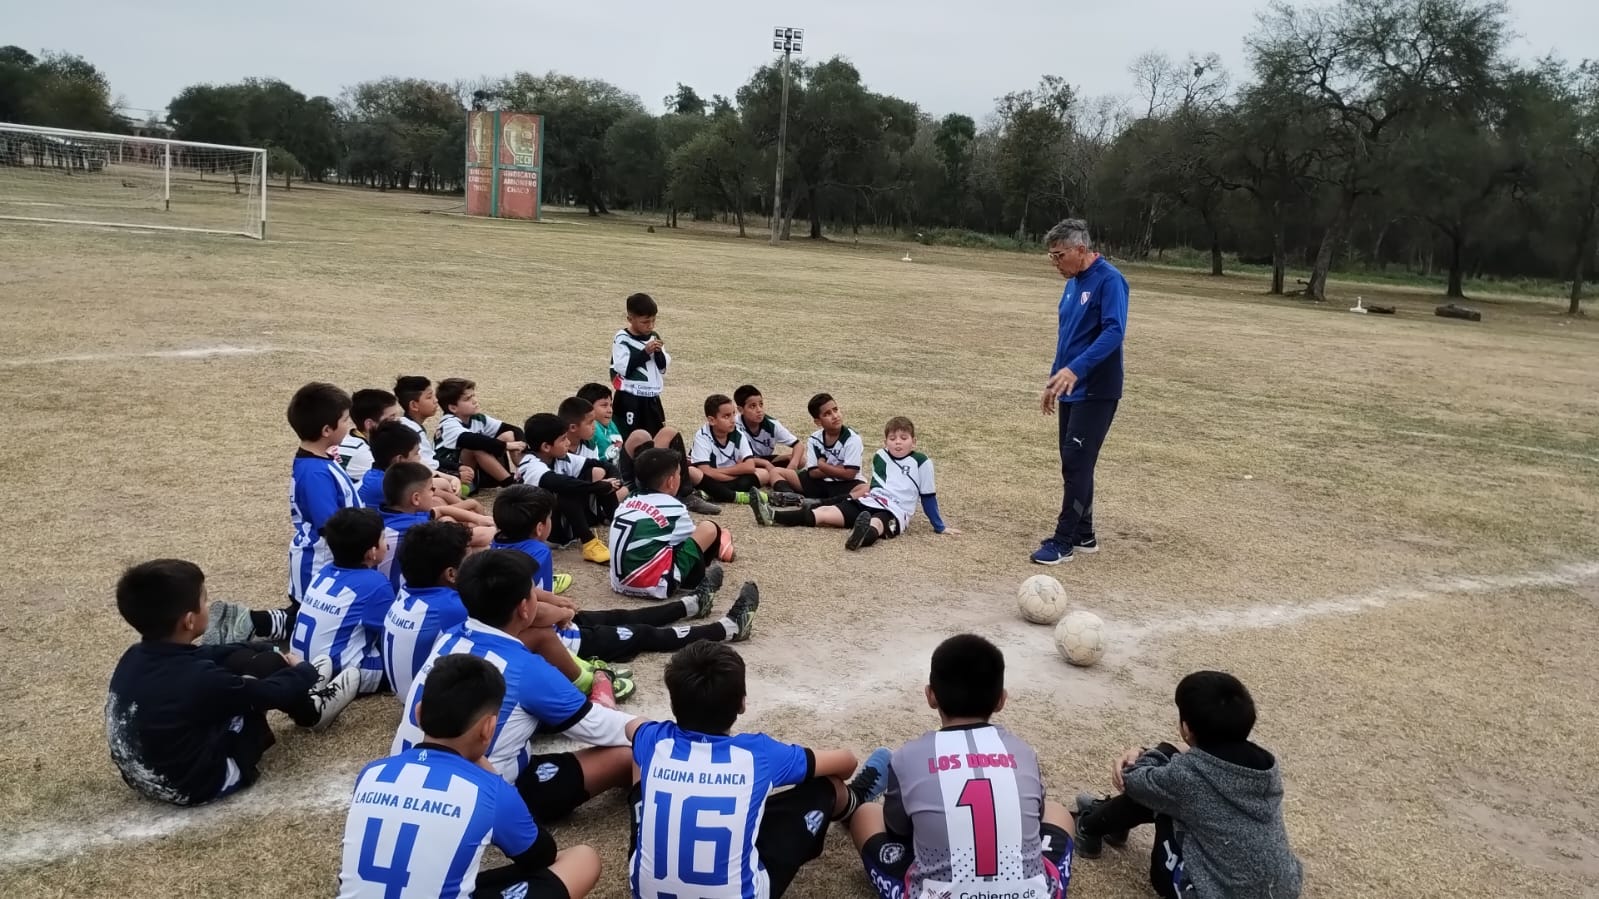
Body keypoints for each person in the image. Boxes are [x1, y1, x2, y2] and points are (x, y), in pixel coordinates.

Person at [393, 550, 644, 823]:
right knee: (627, 754)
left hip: (408, 774)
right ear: (525, 608)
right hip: (476, 799)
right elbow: (608, 729)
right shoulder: (526, 669)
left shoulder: (449, 639)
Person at [630, 641, 893, 899]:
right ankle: (853, 802)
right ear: (742, 703)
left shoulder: (656, 740)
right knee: (826, 786)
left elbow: (632, 728)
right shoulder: (757, 754)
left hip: (646, 893)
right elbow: (846, 762)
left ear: (674, 705)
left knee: (639, 754)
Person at [337, 654, 602, 899]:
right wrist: (493, 776)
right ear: (488, 728)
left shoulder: (371, 772)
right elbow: (541, 856)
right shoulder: (490, 790)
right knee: (583, 859)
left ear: (418, 714)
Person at [106, 560, 356, 807]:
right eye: (204, 600)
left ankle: (300, 682)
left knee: (245, 658)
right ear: (189, 621)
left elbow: (207, 654)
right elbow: (268, 694)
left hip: (142, 777)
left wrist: (261, 646)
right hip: (198, 784)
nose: (208, 605)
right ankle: (312, 712)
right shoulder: (201, 679)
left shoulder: (134, 656)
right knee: (267, 667)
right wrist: (304, 671)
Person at [848, 634, 1075, 899]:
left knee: (866, 814)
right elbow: (1035, 818)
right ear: (1001, 700)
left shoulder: (906, 757)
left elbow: (898, 831)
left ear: (930, 696)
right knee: (1059, 813)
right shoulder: (1023, 752)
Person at [1072, 672, 1303, 899]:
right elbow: (1197, 760)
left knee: (1159, 787)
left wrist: (1141, 753)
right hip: (1281, 889)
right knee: (1168, 775)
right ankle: (1112, 821)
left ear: (1186, 728)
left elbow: (1134, 780)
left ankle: (1090, 825)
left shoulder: (1187, 778)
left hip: (1205, 891)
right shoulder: (1264, 767)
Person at [493, 484, 759, 663]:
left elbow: (520, 593)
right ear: (541, 528)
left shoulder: (496, 545)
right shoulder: (537, 554)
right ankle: (728, 629)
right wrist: (562, 613)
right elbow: (529, 615)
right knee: (641, 634)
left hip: (536, 627)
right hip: (552, 640)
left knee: (617, 615)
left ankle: (691, 605)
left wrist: (556, 602)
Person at [1033, 218, 1129, 566]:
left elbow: (1113, 332)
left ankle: (1064, 541)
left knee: (1077, 462)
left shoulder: (1110, 281)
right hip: (1071, 388)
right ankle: (1084, 533)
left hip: (1097, 390)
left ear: (1081, 250)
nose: (1054, 263)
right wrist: (1054, 378)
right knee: (1073, 463)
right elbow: (1068, 335)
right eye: (1051, 256)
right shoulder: (1072, 283)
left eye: (1059, 256)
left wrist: (1076, 370)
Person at [764, 417, 954, 551]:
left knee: (877, 523)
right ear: (885, 441)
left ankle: (860, 538)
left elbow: (928, 496)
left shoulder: (922, 462)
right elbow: (876, 486)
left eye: (904, 439)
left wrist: (939, 526)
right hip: (870, 500)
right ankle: (773, 516)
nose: (898, 443)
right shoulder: (881, 456)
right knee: (826, 513)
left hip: (896, 509)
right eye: (892, 439)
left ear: (914, 442)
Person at [291, 508, 394, 703]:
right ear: (372, 552)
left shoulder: (324, 571)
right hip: (336, 671)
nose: (386, 544)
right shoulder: (375, 584)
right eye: (383, 538)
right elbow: (390, 633)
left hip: (301, 663)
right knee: (405, 659)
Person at [609, 448, 731, 602]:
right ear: (671, 482)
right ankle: (716, 554)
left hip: (618, 583)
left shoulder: (628, 501)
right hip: (656, 587)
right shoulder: (674, 508)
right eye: (679, 474)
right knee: (709, 528)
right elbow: (693, 541)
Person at [288, 382, 363, 606]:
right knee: (304, 620)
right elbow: (331, 527)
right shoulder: (315, 474)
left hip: (328, 561)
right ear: (326, 430)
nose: (349, 425)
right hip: (319, 565)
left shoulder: (321, 460)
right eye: (344, 420)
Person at [381, 519, 471, 702]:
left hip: (408, 698)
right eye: (469, 560)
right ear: (451, 574)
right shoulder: (451, 606)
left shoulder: (405, 592)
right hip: (434, 706)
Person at [519, 412, 621, 564]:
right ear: (546, 446)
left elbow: (600, 464)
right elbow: (558, 483)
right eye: (563, 439)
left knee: (596, 472)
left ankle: (618, 523)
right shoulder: (530, 464)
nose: (568, 443)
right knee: (568, 488)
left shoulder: (561, 457)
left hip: (562, 522)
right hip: (542, 530)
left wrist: (614, 480)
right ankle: (589, 543)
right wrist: (598, 487)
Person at [361, 420, 490, 526]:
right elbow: (434, 510)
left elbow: (438, 493)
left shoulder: (390, 474)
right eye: (416, 453)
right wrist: (471, 508)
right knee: (447, 518)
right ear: (399, 459)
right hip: (398, 532)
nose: (419, 458)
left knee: (439, 500)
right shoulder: (387, 483)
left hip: (406, 524)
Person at [691, 393, 781, 512]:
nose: (733, 420)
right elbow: (705, 471)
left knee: (764, 474)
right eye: (726, 416)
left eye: (733, 414)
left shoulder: (738, 433)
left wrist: (721, 473)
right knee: (693, 473)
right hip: (711, 479)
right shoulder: (702, 436)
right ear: (712, 420)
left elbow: (749, 466)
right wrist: (736, 471)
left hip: (723, 477)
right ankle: (736, 496)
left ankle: (712, 493)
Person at [436, 377, 525, 490]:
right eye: (468, 398)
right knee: (475, 446)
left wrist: (522, 448)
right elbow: (471, 440)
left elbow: (514, 430)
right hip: (456, 478)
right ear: (453, 408)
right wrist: (506, 446)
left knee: (508, 435)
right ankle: (511, 484)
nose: (475, 400)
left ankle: (525, 472)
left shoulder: (478, 418)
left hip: (479, 473)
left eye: (473, 395)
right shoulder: (448, 423)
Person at [394, 374, 472, 494]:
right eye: (429, 397)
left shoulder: (412, 426)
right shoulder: (410, 431)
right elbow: (427, 466)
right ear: (414, 405)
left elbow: (430, 458)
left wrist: (457, 467)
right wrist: (456, 475)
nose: (436, 400)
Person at [610, 292, 669, 438]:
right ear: (630, 319)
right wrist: (645, 352)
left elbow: (662, 367)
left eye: (653, 321)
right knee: (630, 437)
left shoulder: (654, 336)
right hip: (630, 397)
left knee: (655, 436)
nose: (650, 326)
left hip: (651, 398)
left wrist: (658, 353)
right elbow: (623, 368)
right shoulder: (622, 338)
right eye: (645, 322)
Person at [799, 393, 865, 499]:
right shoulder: (814, 438)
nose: (835, 416)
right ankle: (788, 496)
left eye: (835, 409)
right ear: (818, 422)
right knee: (778, 472)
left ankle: (820, 503)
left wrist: (822, 465)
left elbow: (849, 474)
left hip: (847, 484)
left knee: (866, 489)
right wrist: (839, 469)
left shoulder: (852, 438)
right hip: (821, 482)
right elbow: (813, 472)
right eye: (827, 414)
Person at [336, 388, 400, 485]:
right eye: (392, 418)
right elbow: (397, 486)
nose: (398, 422)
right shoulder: (363, 454)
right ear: (369, 424)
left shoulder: (352, 440)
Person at [734, 384, 801, 465]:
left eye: (761, 404)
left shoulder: (772, 425)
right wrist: (766, 464)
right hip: (745, 462)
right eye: (753, 406)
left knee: (801, 460)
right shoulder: (734, 425)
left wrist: (793, 464)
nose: (759, 410)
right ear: (741, 410)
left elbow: (798, 445)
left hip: (764, 459)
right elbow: (737, 457)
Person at [577, 381, 624, 468]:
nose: (610, 410)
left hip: (618, 468)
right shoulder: (591, 428)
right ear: (588, 408)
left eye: (611, 405)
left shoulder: (610, 424)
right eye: (604, 405)